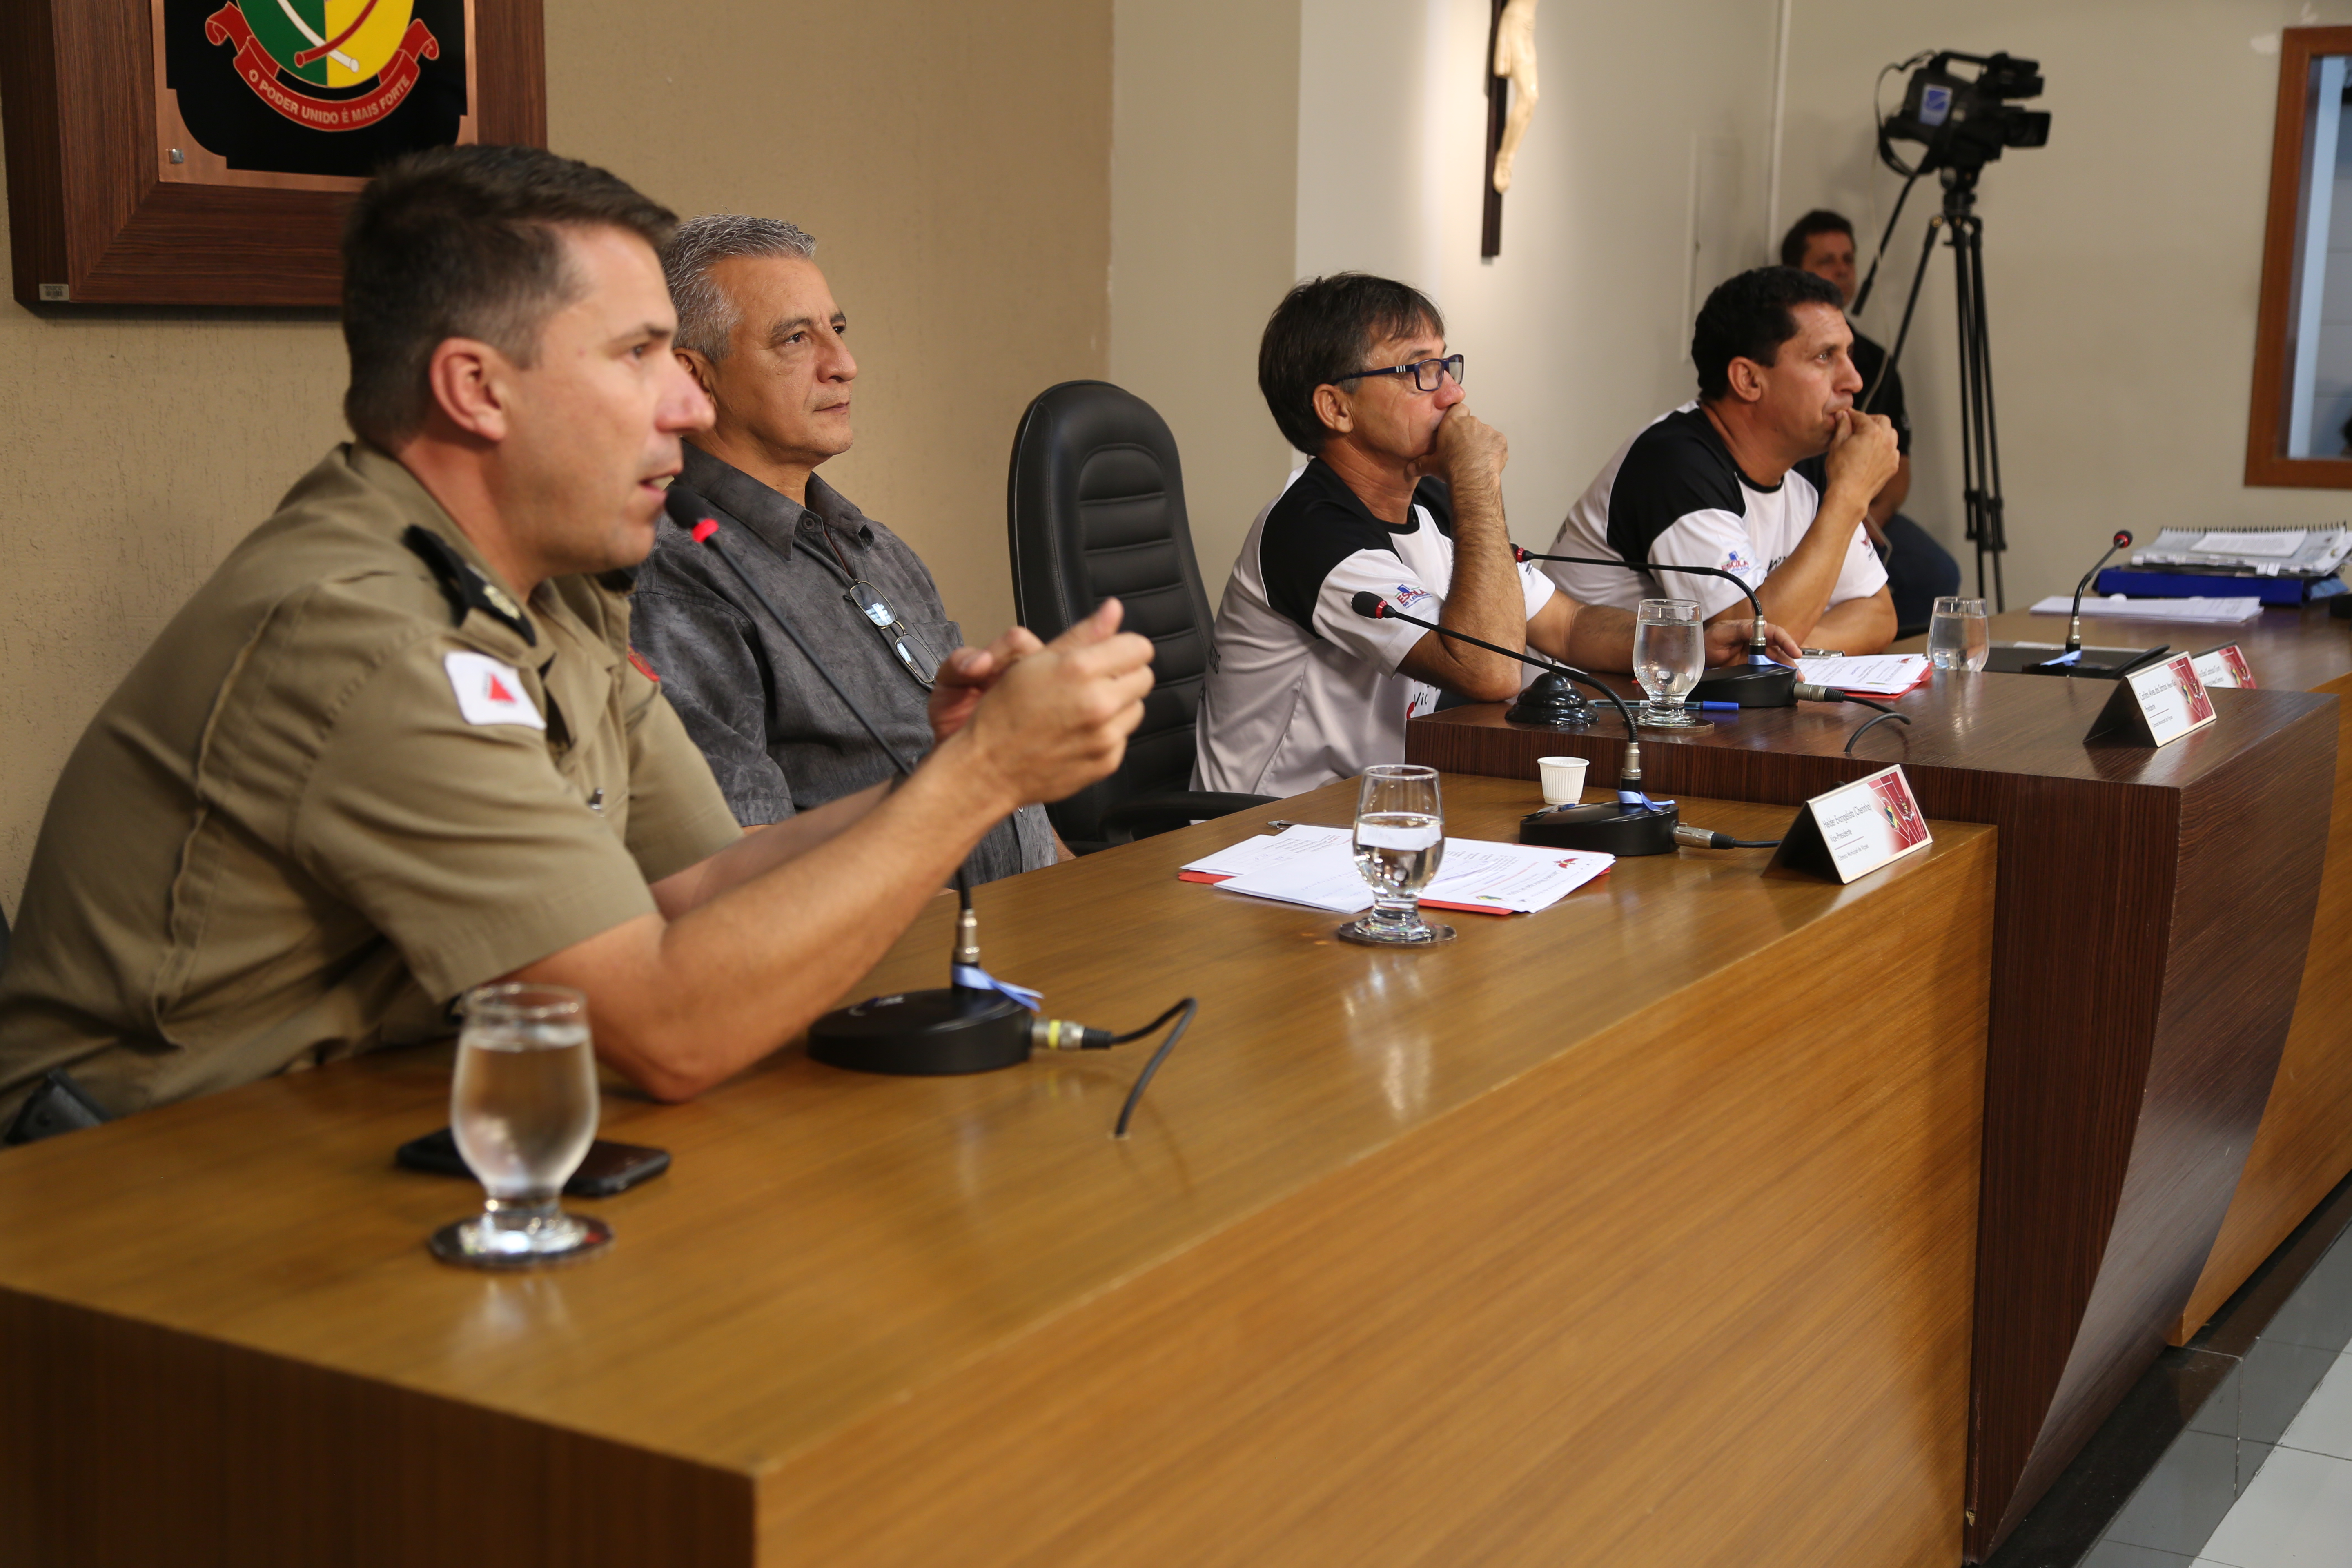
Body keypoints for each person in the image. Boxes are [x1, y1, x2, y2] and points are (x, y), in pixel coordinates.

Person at [0, 146, 1152, 1127]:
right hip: (139, 1185)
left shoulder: (555, 594)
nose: (688, 404)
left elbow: (705, 881)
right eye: (637, 354)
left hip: (366, 1118)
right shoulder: (371, 637)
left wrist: (954, 763)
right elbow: (667, 1029)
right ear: (477, 390)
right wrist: (981, 775)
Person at [1194, 273, 1793, 800]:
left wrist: (1686, 642)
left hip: (1376, 812)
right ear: (1336, 408)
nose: (1453, 394)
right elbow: (1488, 670)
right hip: (1265, 834)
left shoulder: (1431, 501)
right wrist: (1477, 479)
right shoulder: (1309, 529)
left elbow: (1567, 625)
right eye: (1419, 372)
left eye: (1447, 365)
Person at [628, 216, 1060, 882]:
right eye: (796, 339)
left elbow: (1010, 801)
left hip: (1037, 914)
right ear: (695, 378)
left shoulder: (878, 547)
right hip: (908, 938)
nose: (845, 365)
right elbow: (738, 868)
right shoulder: (680, 573)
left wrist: (1084, 891)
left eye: (838, 329)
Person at [1540, 266, 1901, 655]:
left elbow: (1878, 616)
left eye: (1849, 354)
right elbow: (1746, 648)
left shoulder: (1810, 460)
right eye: (1824, 357)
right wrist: (1849, 497)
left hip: (1682, 694)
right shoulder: (1674, 463)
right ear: (1748, 380)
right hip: (1573, 694)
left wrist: (1789, 641)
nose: (1854, 381)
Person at [1781, 209, 1963, 635]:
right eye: (1827, 260)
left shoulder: (1877, 361)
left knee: (1937, 574)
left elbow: (1899, 466)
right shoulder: (1780, 355)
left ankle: (1888, 663)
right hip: (1799, 506)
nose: (1842, 269)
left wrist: (1861, 512)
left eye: (1849, 259)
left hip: (1864, 509)